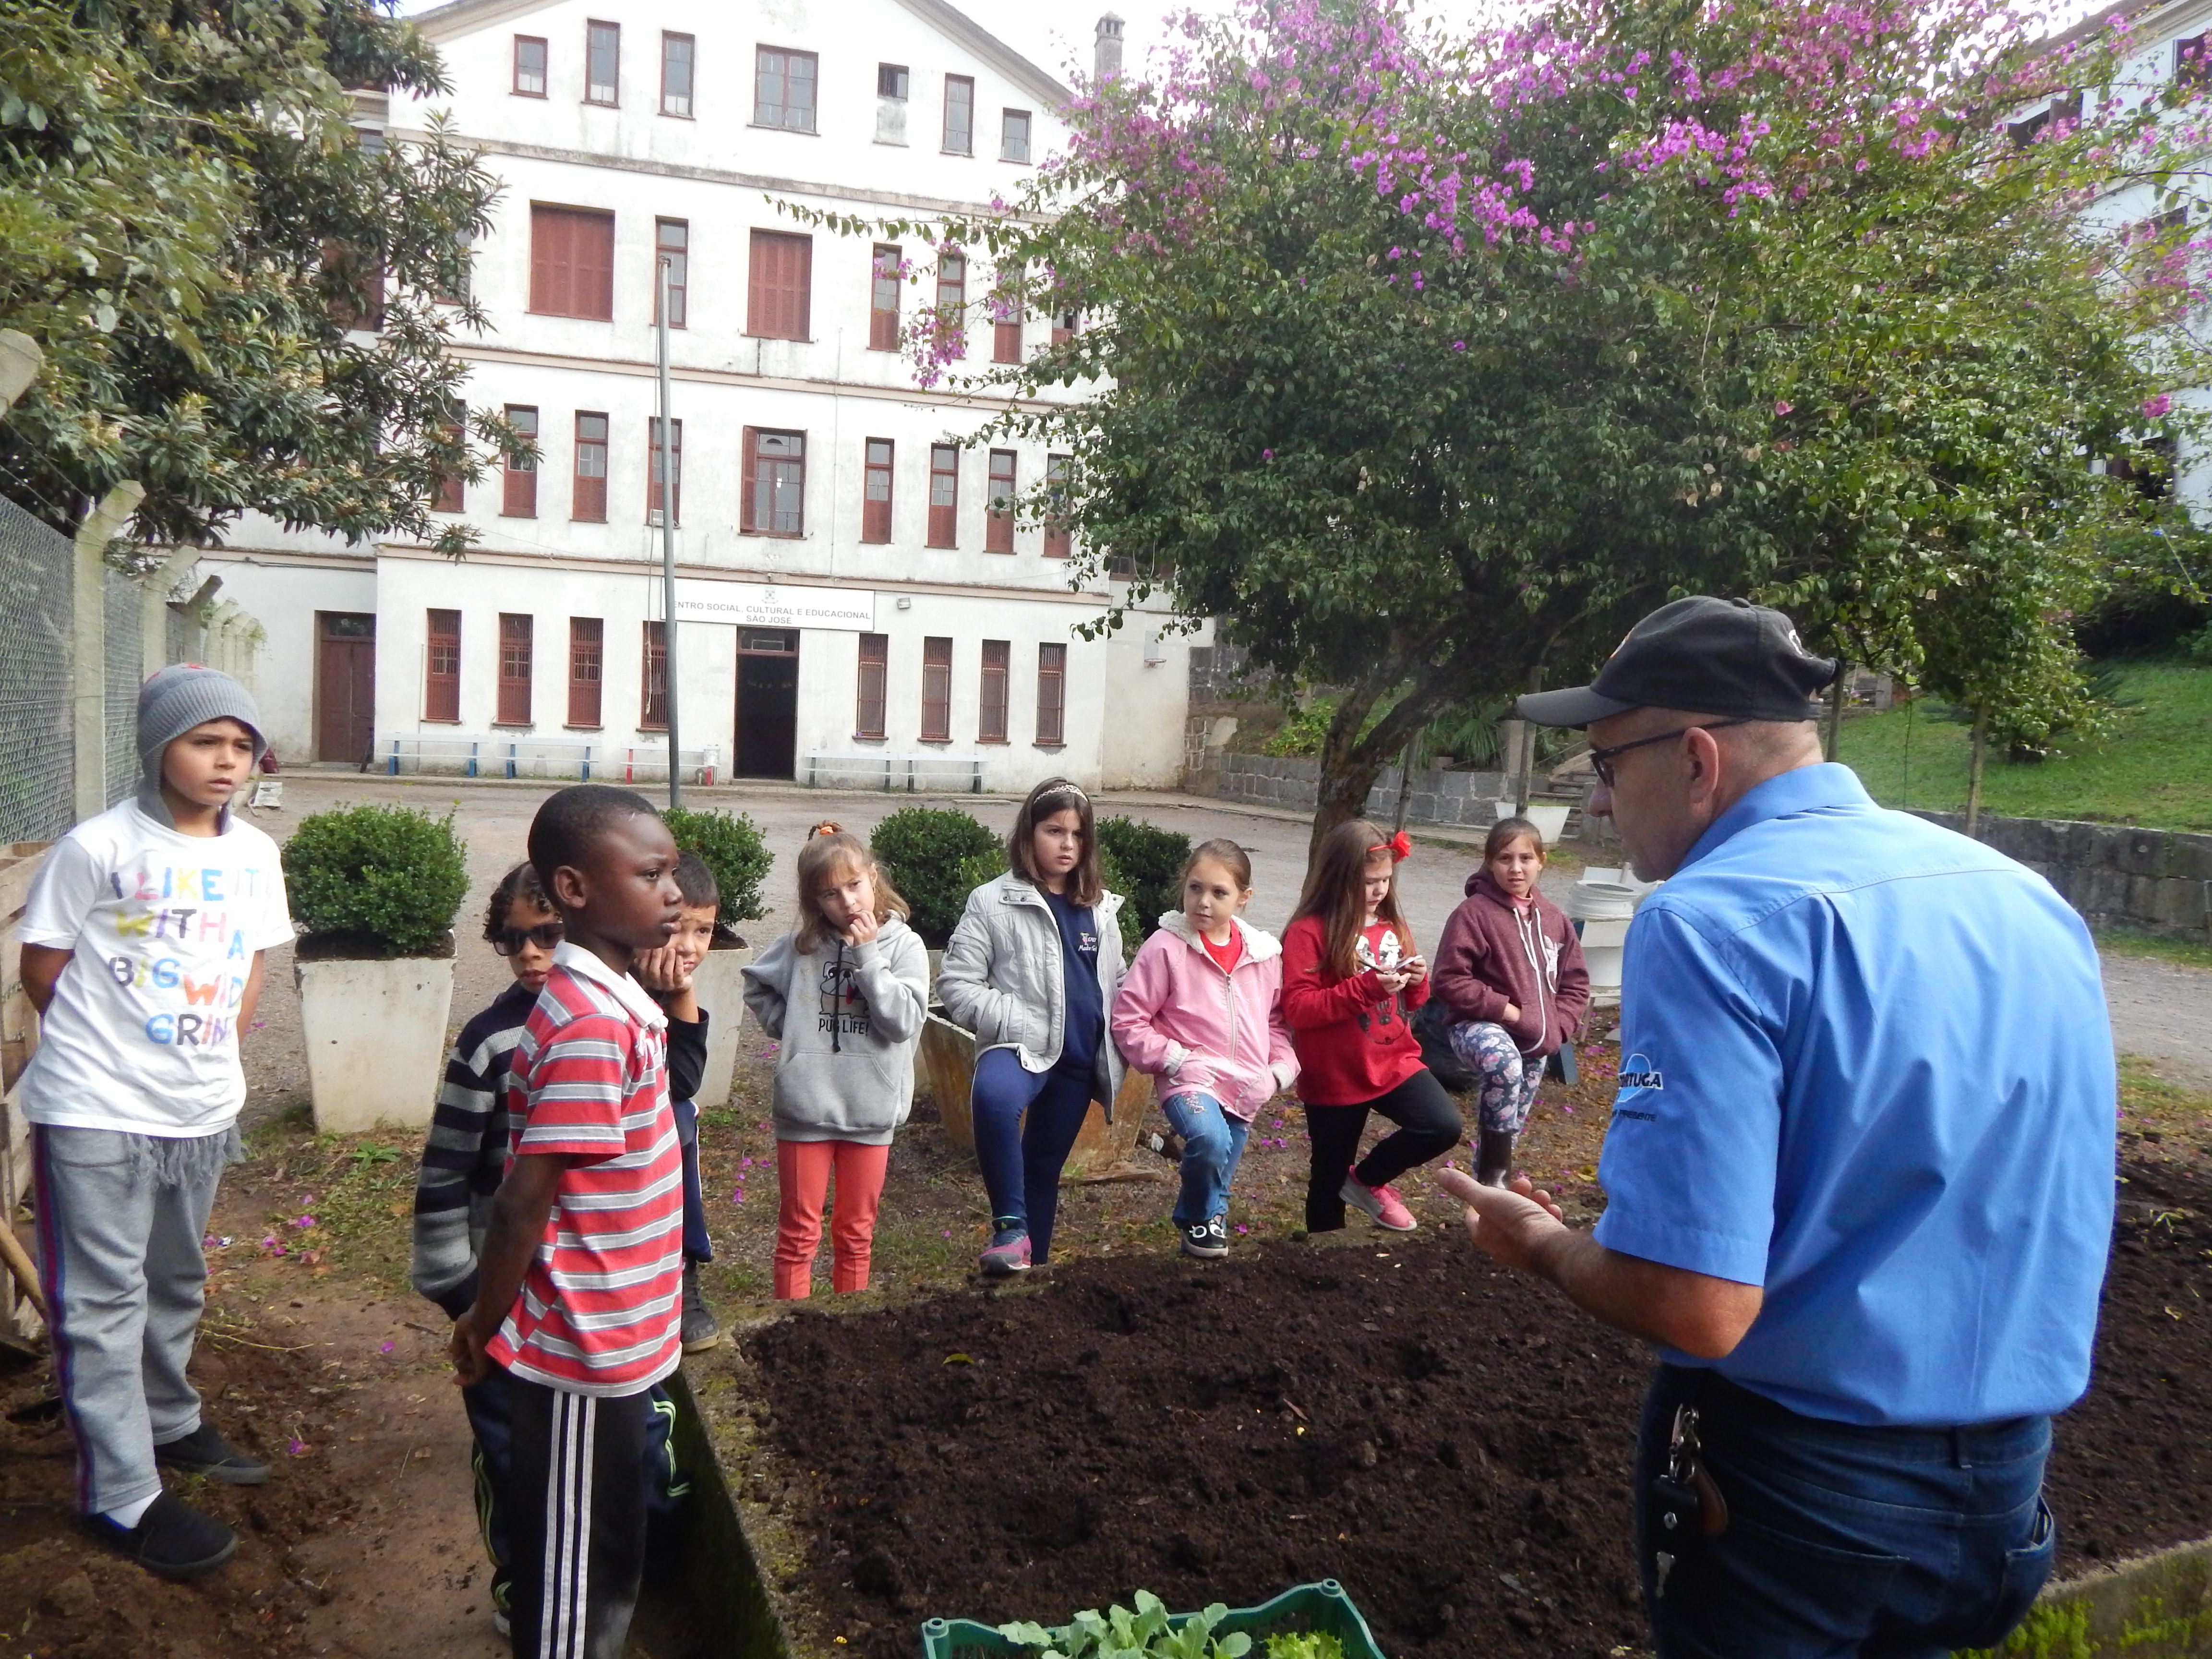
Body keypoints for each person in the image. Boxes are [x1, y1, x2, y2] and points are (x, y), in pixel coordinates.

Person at [1437, 595, 2115, 1659]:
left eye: (1608, 767)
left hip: (1807, 1504)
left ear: (1697, 757)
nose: (1603, 806)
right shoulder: (2024, 898)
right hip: (2008, 1495)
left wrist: (1543, 1245)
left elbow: (1694, 1303)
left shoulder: (1709, 920)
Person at [17, 665, 294, 1578]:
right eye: (205, 742)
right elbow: (45, 966)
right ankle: (120, 1493)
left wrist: (210, 1044)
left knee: (177, 1277)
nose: (226, 762)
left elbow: (253, 960)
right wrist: (116, 1049)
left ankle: (170, 1421)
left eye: (241, 746)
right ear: (158, 748)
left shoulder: (253, 853)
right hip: (95, 1108)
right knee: (103, 1302)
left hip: (201, 1109)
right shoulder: (96, 847)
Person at [449, 784, 686, 1659]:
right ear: (576, 889)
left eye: (670, 872)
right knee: (575, 1572)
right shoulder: (589, 1023)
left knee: (611, 1539)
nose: (672, 890)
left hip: (618, 1334)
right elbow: (520, 1201)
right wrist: (484, 1319)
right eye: (651, 873)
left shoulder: (619, 1000)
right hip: (581, 1348)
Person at [938, 778, 1127, 1276]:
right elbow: (957, 986)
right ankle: (1010, 1228)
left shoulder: (1101, 908)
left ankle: (1030, 1269)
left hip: (1078, 1061)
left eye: (1078, 834)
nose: (1067, 844)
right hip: (1019, 1048)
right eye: (1054, 831)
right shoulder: (992, 901)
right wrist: (1018, 1020)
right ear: (1029, 834)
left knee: (1043, 1170)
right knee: (993, 1100)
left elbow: (1117, 981)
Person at [743, 830, 928, 1298]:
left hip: (870, 1110)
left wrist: (868, 958)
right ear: (815, 901)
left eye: (854, 886)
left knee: (855, 1234)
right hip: (805, 1109)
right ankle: (791, 1329)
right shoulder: (801, 946)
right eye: (830, 893)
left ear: (874, 878)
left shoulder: (904, 947)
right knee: (798, 1233)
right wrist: (795, 1030)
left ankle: (847, 1325)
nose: (847, 902)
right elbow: (756, 985)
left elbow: (903, 1021)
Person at [1109, 838, 1297, 1259]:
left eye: (1219, 892)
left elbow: (1276, 1023)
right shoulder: (1165, 949)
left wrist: (1276, 1073)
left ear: (1244, 898)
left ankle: (1207, 1222)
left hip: (1247, 1084)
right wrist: (1176, 1059)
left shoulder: (1264, 956)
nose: (1204, 902)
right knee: (1210, 1142)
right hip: (1190, 1078)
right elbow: (1129, 1020)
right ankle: (1199, 1217)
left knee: (1220, 1168)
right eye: (1195, 888)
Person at [1280, 820, 1463, 1234]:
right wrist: (1363, 988)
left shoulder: (1392, 925)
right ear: (1337, 880)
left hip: (1395, 1061)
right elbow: (1299, 1009)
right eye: (1368, 882)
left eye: (1385, 880)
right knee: (1326, 1182)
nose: (1379, 891)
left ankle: (1364, 1182)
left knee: (1441, 1125)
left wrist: (1417, 984)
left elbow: (1409, 1003)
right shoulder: (1307, 932)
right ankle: (1326, 1263)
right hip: (1335, 1075)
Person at [1431, 817, 1589, 1186]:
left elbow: (1575, 983)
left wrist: (1559, 1025)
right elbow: (1449, 980)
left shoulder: (1555, 921)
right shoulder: (1473, 914)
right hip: (1478, 1024)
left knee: (1512, 1117)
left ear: (1541, 862)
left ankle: (1489, 1188)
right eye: (1505, 859)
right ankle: (1493, 1180)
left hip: (1536, 1036)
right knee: (1505, 1064)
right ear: (1489, 862)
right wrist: (1507, 1010)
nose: (1516, 868)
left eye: (1525, 858)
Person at [631, 852, 722, 1351]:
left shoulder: (671, 981)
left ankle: (683, 1280)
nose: (688, 946)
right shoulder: (615, 982)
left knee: (682, 1121)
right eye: (677, 929)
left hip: (663, 1131)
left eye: (703, 932)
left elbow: (684, 1081)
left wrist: (682, 991)